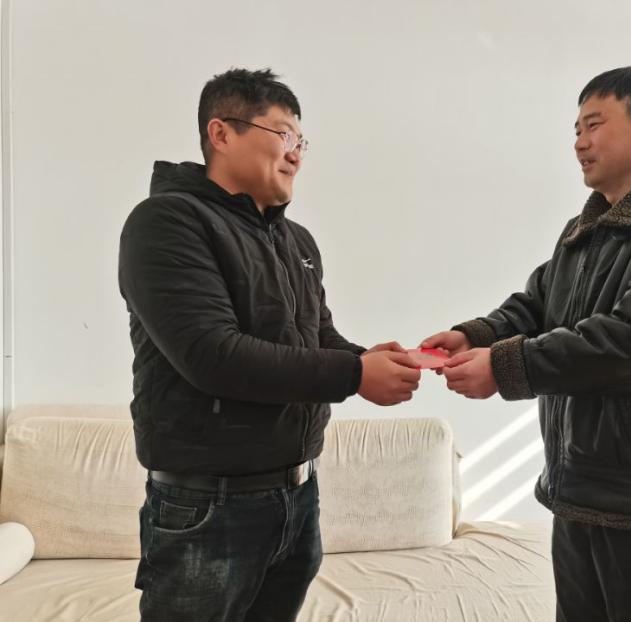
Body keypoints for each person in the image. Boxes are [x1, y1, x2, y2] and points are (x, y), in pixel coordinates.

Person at [422, 65, 631, 621]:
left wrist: (504, 367)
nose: (579, 142)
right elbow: (537, 305)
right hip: (580, 495)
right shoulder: (588, 229)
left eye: (594, 125)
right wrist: (475, 335)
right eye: (576, 129)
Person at [119, 67, 421, 622]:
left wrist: (368, 358)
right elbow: (214, 356)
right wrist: (356, 376)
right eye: (283, 134)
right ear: (221, 133)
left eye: (302, 141)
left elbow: (318, 337)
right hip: (207, 506)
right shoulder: (166, 222)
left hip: (298, 496)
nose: (296, 153)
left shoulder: (295, 239)